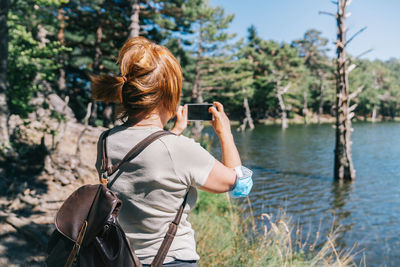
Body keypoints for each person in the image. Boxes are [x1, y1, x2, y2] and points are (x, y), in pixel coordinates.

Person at [92, 37, 249, 267]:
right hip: (171, 261)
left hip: (119, 259)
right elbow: (239, 186)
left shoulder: (105, 141)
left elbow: (148, 157)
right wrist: (226, 134)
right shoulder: (179, 150)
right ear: (169, 94)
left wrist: (173, 132)